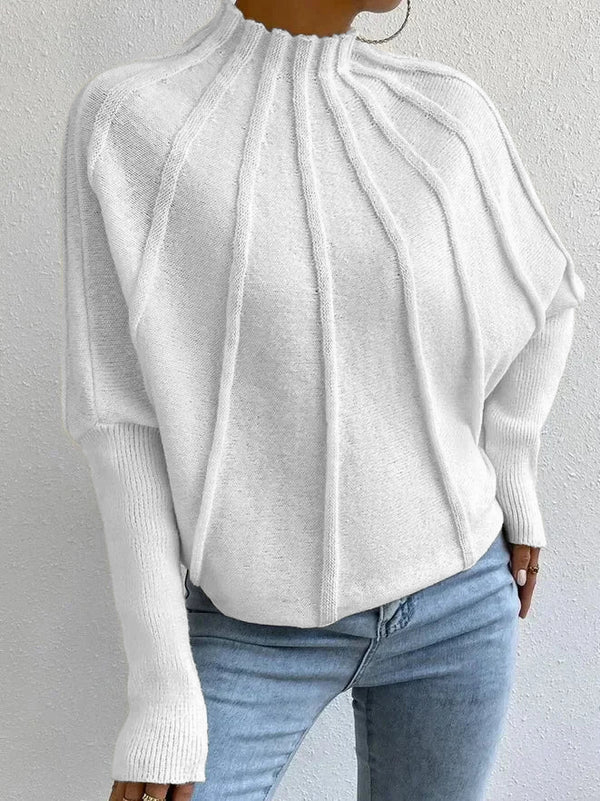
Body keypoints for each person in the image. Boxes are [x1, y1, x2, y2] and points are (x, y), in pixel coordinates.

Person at [59, 0, 586, 799]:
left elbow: (548, 298)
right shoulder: (129, 121)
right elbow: (120, 422)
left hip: (460, 600)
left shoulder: (447, 113)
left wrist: (514, 473)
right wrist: (162, 692)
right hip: (247, 630)